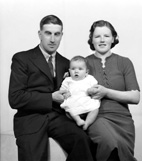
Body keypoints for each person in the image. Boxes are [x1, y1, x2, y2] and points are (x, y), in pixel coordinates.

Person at [8, 15, 95, 161]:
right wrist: (50, 97)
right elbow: (15, 98)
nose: (53, 39)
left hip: (57, 118)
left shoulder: (67, 63)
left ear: (62, 35)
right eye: (48, 33)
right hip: (30, 119)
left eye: (57, 34)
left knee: (83, 141)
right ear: (40, 34)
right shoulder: (22, 59)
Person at [86, 20, 140, 161]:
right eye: (97, 36)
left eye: (106, 36)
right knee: (109, 143)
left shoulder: (125, 62)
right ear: (91, 39)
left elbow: (135, 97)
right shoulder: (83, 63)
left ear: (113, 38)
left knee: (122, 152)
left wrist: (106, 92)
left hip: (123, 121)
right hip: (96, 117)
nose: (102, 40)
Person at [60, 55, 100, 130]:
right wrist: (65, 93)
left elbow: (96, 87)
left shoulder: (89, 78)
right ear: (69, 70)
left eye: (80, 69)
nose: (76, 71)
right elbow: (62, 90)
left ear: (86, 71)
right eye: (73, 69)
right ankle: (78, 120)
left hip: (86, 101)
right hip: (74, 102)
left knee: (95, 108)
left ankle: (87, 123)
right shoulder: (68, 80)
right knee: (68, 109)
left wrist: (92, 90)